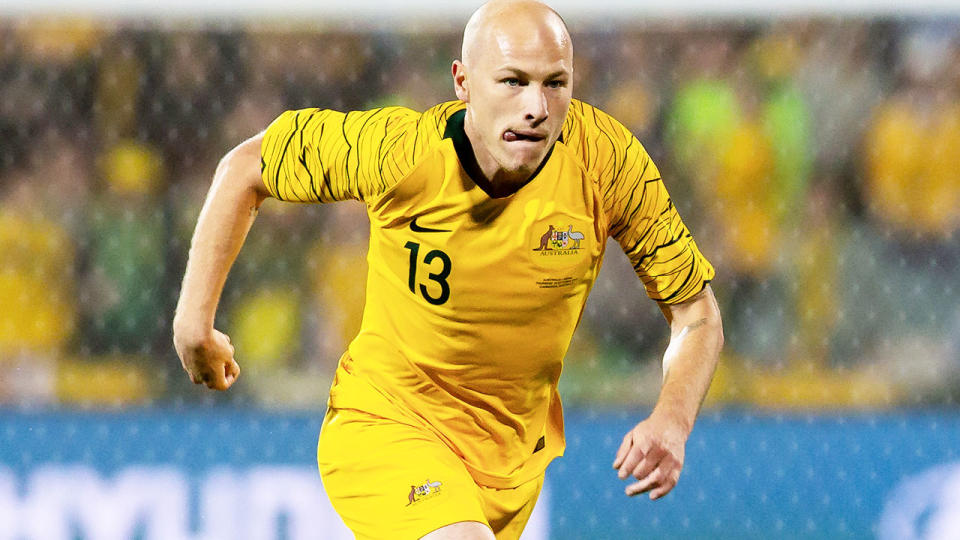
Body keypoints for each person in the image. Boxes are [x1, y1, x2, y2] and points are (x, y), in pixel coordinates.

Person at [172, 1, 724, 538]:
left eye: (556, 83)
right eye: (513, 81)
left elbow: (696, 313)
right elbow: (246, 166)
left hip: (509, 464)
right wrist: (193, 325)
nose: (536, 105)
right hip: (388, 421)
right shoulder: (400, 152)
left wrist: (672, 422)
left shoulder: (606, 163)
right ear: (463, 82)